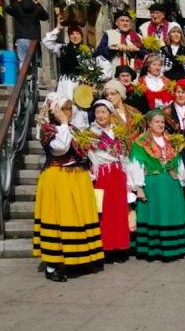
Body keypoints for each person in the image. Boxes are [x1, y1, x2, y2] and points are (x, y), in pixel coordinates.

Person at [33, 93, 104, 282]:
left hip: (76, 177)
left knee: (77, 219)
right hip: (59, 178)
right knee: (60, 219)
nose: (69, 112)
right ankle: (52, 265)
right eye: (65, 109)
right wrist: (63, 123)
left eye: (70, 109)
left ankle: (78, 258)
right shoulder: (48, 129)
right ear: (55, 111)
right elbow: (60, 148)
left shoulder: (71, 129)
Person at [129, 110, 185, 260]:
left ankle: (175, 248)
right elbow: (135, 165)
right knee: (156, 215)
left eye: (162, 122)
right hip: (153, 182)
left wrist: (182, 180)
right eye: (157, 122)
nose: (160, 125)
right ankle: (156, 249)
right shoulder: (141, 142)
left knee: (170, 214)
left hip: (170, 182)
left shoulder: (171, 140)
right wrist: (138, 188)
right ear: (149, 124)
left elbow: (178, 163)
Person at [85, 100, 133, 263]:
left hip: (118, 174)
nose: (100, 115)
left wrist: (129, 180)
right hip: (102, 174)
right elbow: (94, 156)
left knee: (119, 210)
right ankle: (105, 248)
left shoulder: (118, 132)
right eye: (97, 112)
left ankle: (120, 247)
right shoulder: (91, 133)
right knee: (104, 212)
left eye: (103, 112)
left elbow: (124, 156)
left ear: (111, 114)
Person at [42, 16, 112, 102]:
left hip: (83, 84)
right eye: (72, 34)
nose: (75, 36)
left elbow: (105, 66)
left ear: (82, 36)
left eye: (77, 34)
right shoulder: (62, 48)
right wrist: (57, 29)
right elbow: (46, 42)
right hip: (66, 83)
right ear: (69, 36)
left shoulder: (89, 52)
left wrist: (95, 78)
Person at [5, 0, 48, 65]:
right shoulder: (36, 7)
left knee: (22, 61)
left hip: (21, 37)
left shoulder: (18, 6)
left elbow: (8, 9)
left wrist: (16, 2)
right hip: (33, 38)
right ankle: (35, 76)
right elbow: (46, 16)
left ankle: (23, 76)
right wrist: (39, 4)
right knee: (35, 61)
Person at [162, 79, 185, 162]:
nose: (180, 95)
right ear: (174, 94)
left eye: (183, 92)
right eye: (178, 92)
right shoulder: (166, 111)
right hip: (173, 147)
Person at [104, 80, 144, 144]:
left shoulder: (133, 111)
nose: (109, 97)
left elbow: (143, 130)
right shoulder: (106, 114)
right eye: (107, 95)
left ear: (120, 94)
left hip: (137, 148)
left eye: (112, 94)